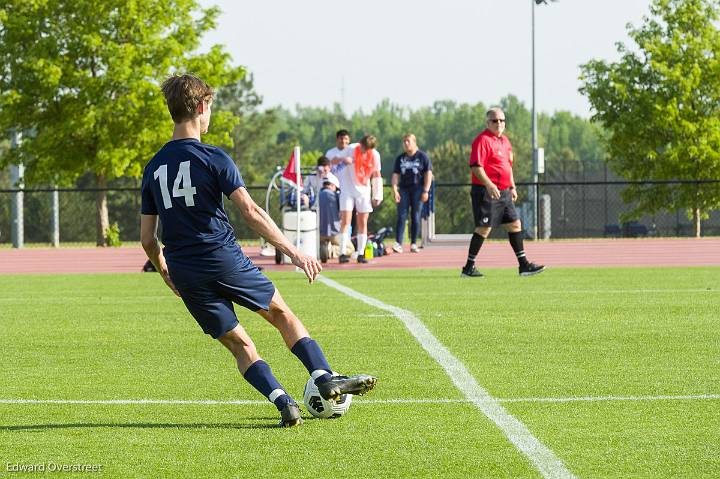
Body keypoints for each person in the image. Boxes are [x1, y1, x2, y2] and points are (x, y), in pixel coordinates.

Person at [140, 74, 377, 428]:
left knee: (239, 344)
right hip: (223, 258)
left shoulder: (153, 167)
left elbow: (147, 239)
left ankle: (284, 403)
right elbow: (250, 212)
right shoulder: (214, 157)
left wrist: (166, 273)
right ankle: (324, 376)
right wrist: (294, 252)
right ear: (202, 107)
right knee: (282, 314)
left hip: (184, 269)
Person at [461, 107, 545, 277]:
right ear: (488, 123)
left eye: (501, 120)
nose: (498, 123)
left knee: (515, 224)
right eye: (494, 120)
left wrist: (512, 186)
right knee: (484, 228)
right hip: (486, 191)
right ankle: (468, 267)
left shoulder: (505, 141)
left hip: (504, 191)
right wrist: (489, 185)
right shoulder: (482, 140)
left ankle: (523, 265)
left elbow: (508, 166)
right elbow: (476, 167)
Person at [326, 132, 382, 264]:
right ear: (360, 144)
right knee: (346, 221)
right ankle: (343, 252)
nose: (364, 151)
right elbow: (333, 160)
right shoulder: (351, 148)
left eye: (367, 149)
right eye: (363, 147)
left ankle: (361, 253)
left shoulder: (374, 155)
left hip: (363, 190)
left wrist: (377, 194)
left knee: (363, 222)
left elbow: (376, 173)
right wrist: (343, 160)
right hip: (348, 188)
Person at [391, 134, 433, 253]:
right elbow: (395, 175)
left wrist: (426, 190)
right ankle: (398, 243)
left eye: (408, 141)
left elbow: (428, 174)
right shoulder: (400, 158)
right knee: (401, 215)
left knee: (415, 216)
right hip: (404, 189)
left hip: (418, 189)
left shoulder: (422, 156)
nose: (406, 143)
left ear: (414, 142)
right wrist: (394, 190)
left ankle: (414, 243)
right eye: (404, 141)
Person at [317, 172, 342, 262]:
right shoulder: (336, 195)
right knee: (349, 248)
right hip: (334, 232)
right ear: (333, 185)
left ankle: (321, 249)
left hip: (319, 233)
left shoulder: (316, 196)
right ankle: (332, 251)